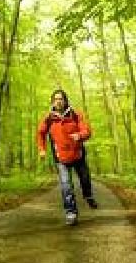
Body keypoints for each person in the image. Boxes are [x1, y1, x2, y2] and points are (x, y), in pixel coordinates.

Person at [36, 89, 97, 226]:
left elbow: (87, 131)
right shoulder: (49, 119)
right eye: (56, 99)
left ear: (65, 100)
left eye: (61, 99)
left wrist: (79, 135)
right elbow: (40, 134)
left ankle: (88, 195)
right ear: (53, 102)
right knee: (66, 186)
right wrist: (42, 150)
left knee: (85, 179)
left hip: (78, 155)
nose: (58, 101)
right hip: (61, 158)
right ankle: (71, 213)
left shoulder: (75, 115)